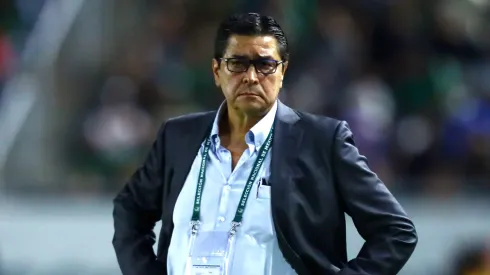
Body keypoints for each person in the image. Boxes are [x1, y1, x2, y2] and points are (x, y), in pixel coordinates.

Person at [112, 12, 417, 275]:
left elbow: (396, 232)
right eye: (238, 64)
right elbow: (130, 209)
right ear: (217, 71)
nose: (252, 77)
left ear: (282, 72)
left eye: (265, 65)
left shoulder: (322, 142)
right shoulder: (178, 137)